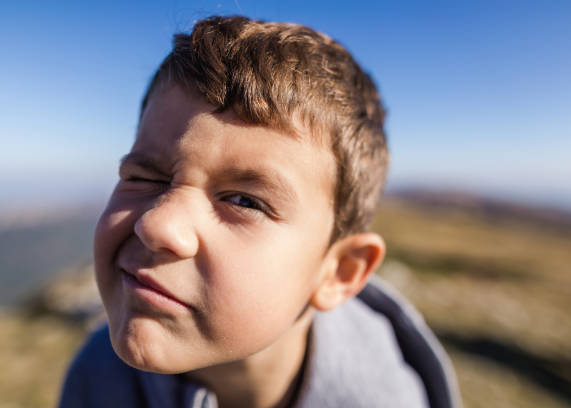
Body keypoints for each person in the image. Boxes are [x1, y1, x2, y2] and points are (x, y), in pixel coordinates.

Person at [59, 15, 460, 408]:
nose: (157, 224)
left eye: (244, 201)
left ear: (340, 273)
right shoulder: (97, 378)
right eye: (145, 176)